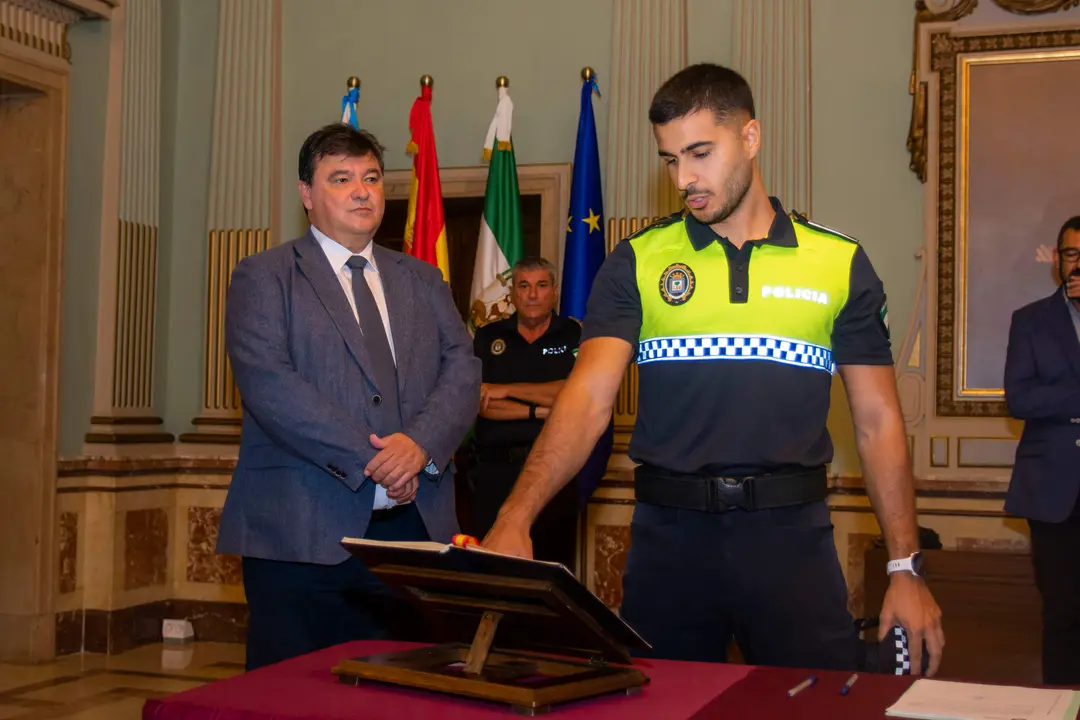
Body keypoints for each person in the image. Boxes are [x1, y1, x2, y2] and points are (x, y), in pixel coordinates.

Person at [482, 63, 944, 675]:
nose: (685, 178)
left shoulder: (838, 263)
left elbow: (879, 419)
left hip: (790, 540)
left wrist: (904, 567)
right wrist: (515, 518)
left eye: (700, 152)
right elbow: (587, 401)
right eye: (670, 159)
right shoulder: (637, 263)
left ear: (750, 137)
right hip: (668, 540)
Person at [217, 123, 481, 670]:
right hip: (300, 536)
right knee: (290, 702)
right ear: (307, 195)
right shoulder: (264, 276)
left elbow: (463, 367)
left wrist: (421, 445)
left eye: (371, 177)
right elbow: (270, 383)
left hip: (414, 539)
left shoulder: (423, 279)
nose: (362, 190)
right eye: (341, 178)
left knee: (409, 696)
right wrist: (376, 460)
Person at [470, 257, 612, 569]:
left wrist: (505, 389)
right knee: (491, 572)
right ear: (513, 293)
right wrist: (544, 411)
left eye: (541, 285)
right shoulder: (487, 337)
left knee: (551, 573)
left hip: (554, 477)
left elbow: (577, 391)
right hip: (494, 476)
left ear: (555, 292)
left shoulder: (574, 335)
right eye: (524, 286)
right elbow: (481, 405)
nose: (533, 294)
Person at [1004, 215, 1080, 686]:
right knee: (1063, 614)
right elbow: (1021, 399)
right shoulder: (1030, 321)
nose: (1078, 265)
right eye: (1071, 255)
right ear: (1056, 260)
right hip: (1054, 493)